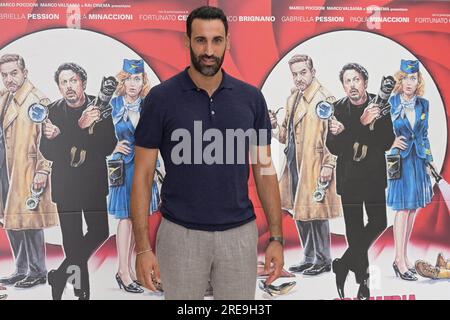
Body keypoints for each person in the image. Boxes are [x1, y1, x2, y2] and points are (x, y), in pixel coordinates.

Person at [131, 6, 284, 300]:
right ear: (187, 42)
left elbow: (265, 170)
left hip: (239, 235)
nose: (209, 50)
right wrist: (143, 248)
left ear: (228, 42)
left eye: (217, 41)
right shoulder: (161, 99)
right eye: (201, 40)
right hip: (180, 235)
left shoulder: (251, 99)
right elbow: (142, 176)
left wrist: (276, 237)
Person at [40, 62, 116, 300]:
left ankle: (60, 275)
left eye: (73, 80)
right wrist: (74, 130)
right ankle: (82, 293)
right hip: (66, 188)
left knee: (100, 231)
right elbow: (49, 152)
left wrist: (76, 131)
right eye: (63, 82)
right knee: (72, 241)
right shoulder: (52, 111)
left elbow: (108, 146)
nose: (69, 86)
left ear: (83, 82)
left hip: (93, 184)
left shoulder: (100, 106)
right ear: (59, 87)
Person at [326, 63, 395, 299]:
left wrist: (356, 128)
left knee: (379, 222)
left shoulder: (380, 104)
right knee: (354, 230)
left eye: (356, 80)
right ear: (343, 85)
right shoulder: (337, 108)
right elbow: (334, 148)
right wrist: (347, 130)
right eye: (347, 81)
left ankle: (343, 263)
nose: (352, 85)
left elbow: (386, 142)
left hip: (374, 177)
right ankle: (363, 282)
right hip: (349, 180)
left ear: (365, 82)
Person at [269, 54, 342, 276]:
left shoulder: (324, 98)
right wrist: (272, 125)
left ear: (313, 72)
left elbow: (334, 136)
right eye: (295, 74)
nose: (299, 78)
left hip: (315, 163)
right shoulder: (293, 98)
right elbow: (284, 135)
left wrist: (329, 165)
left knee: (317, 213)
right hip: (294, 162)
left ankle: (323, 259)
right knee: (299, 211)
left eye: (303, 72)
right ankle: (309, 256)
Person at [0, 54, 58, 289]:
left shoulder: (36, 100)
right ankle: (21, 268)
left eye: (14, 73)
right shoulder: (4, 98)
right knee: (10, 218)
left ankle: (37, 271)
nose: (9, 79)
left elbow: (48, 140)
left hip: (27, 168)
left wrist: (43, 171)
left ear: (25, 72)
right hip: (6, 166)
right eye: (4, 75)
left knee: (30, 220)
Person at [107, 59, 160, 293]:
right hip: (123, 166)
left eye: (137, 78)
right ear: (122, 80)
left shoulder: (149, 104)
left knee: (138, 217)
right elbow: (97, 138)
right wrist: (113, 147)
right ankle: (123, 271)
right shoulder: (113, 104)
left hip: (145, 165)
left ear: (143, 81)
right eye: (128, 78)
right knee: (126, 217)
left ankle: (127, 269)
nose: (132, 83)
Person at [387, 59, 435, 281]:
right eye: (405, 78)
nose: (408, 82)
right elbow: (378, 133)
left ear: (418, 81)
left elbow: (423, 135)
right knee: (403, 208)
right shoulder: (391, 102)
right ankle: (398, 260)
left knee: (413, 208)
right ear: (400, 79)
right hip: (399, 160)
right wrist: (391, 142)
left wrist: (430, 161)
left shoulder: (424, 104)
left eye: (413, 78)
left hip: (418, 160)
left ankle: (404, 257)